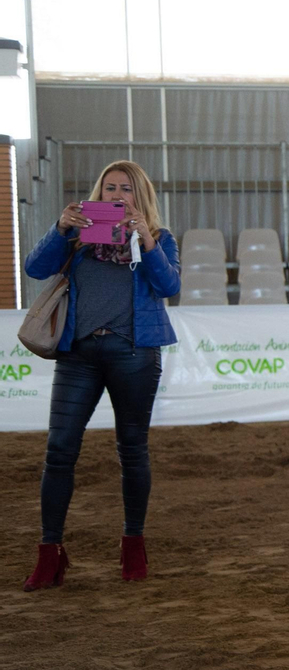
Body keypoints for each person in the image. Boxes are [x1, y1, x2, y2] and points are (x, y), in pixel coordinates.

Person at [21, 160, 181, 591]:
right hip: (79, 355)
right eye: (108, 187)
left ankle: (133, 545)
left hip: (134, 354)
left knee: (132, 450)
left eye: (125, 188)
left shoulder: (161, 238)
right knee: (59, 450)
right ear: (98, 192)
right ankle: (49, 553)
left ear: (139, 195)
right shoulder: (75, 237)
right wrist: (59, 228)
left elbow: (168, 286)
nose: (115, 194)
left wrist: (146, 239)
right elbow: (35, 269)